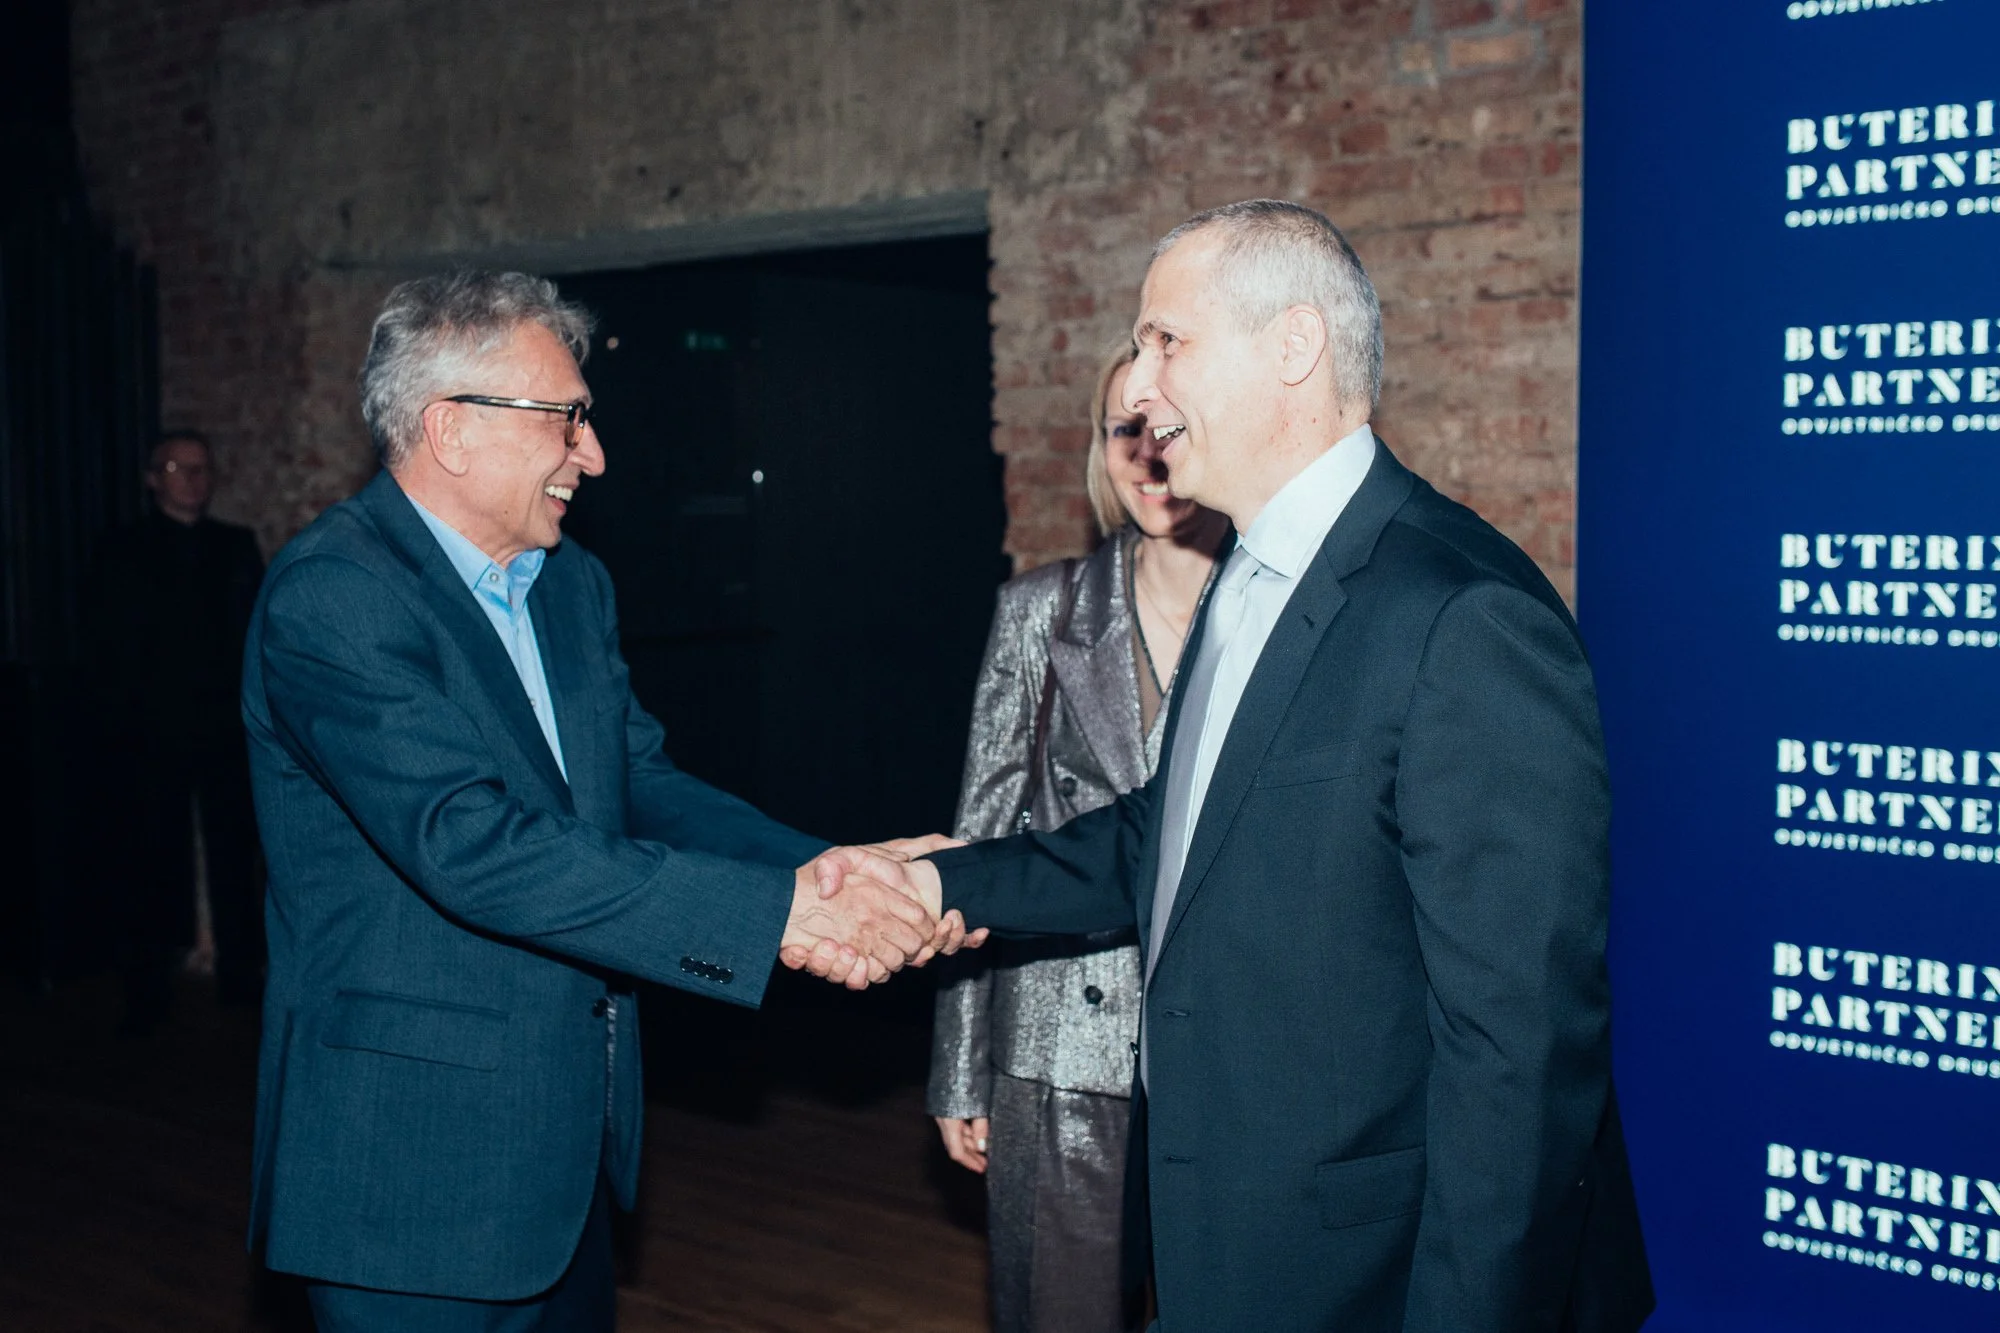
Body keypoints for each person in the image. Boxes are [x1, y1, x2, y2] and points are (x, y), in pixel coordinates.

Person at [825, 201, 1654, 1330]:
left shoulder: (1461, 615)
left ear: (1293, 347)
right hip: (1224, 1236)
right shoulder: (1250, 573)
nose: (1135, 388)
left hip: (1372, 1271)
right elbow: (1164, 837)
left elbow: (1520, 1057)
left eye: (1166, 341)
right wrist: (937, 882)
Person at [242, 271, 973, 1332]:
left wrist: (822, 870)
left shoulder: (571, 584)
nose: (592, 455)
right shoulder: (335, 595)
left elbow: (638, 783)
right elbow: (472, 844)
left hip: (567, 1143)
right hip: (410, 1166)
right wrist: (775, 919)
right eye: (567, 418)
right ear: (451, 428)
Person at [928, 345, 1226, 1332]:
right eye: (1121, 431)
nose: (1145, 455)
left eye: (1164, 429)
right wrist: (960, 1067)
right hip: (1060, 1039)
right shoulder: (1039, 611)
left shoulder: (1272, 612)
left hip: (1226, 1045)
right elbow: (983, 840)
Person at [86, 431, 267, 1031]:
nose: (194, 478)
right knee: (150, 856)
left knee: (236, 852)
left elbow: (256, 636)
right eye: (179, 468)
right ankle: (148, 985)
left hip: (224, 727)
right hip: (151, 731)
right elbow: (109, 649)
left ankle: (241, 973)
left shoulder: (234, 546)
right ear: (151, 479)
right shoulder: (122, 551)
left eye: (202, 468)